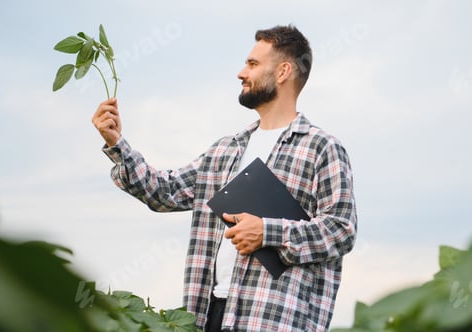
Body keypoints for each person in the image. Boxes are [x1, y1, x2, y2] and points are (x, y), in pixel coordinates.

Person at [92, 25, 357, 332]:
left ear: (283, 71)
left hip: (274, 319)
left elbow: (341, 229)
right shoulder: (224, 150)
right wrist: (116, 143)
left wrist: (267, 232)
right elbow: (164, 192)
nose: (241, 73)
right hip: (210, 314)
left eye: (253, 64)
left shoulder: (321, 148)